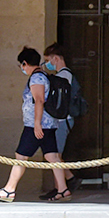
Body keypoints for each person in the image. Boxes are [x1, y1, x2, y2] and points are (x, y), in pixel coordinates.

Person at [0, 47, 59, 202]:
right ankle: (63, 189)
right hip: (47, 124)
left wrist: (37, 124)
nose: (22, 69)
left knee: (21, 157)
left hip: (36, 126)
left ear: (25, 63)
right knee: (52, 157)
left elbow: (39, 100)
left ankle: (9, 189)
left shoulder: (36, 78)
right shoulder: (43, 76)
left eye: (22, 65)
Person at [39, 44, 77, 202]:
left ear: (56, 58)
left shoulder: (64, 75)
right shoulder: (62, 75)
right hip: (60, 121)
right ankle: (61, 186)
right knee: (55, 156)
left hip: (63, 120)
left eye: (48, 60)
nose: (48, 64)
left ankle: (66, 183)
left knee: (55, 156)